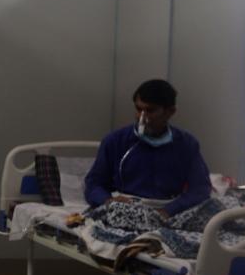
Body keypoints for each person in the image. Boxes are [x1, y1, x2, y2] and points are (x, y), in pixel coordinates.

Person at [84, 79, 211, 220]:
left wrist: (169, 210)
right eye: (139, 109)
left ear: (170, 112)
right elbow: (93, 184)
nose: (142, 117)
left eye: (150, 110)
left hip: (170, 211)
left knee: (216, 212)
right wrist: (108, 201)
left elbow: (201, 189)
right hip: (124, 210)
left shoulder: (186, 144)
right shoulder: (115, 141)